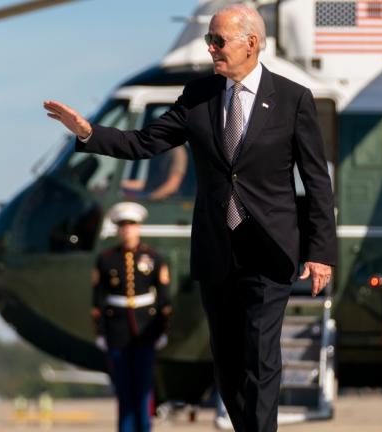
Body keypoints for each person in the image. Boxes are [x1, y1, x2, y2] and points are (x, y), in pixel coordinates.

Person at [45, 5, 336, 431]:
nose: (211, 49)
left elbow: (317, 182)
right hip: (217, 251)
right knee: (229, 361)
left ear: (251, 43)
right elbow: (144, 143)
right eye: (208, 40)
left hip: (269, 249)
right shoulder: (197, 96)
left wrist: (320, 251)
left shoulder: (293, 100)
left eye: (219, 41)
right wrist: (89, 133)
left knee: (261, 353)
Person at [91, 202, 172, 432]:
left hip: (146, 331)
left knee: (144, 389)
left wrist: (163, 331)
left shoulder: (154, 258)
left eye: (132, 225)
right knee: (124, 390)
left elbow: (164, 300)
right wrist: (100, 332)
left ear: (139, 228)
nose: (127, 230)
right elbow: (97, 301)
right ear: (117, 230)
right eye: (123, 226)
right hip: (117, 333)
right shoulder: (106, 259)